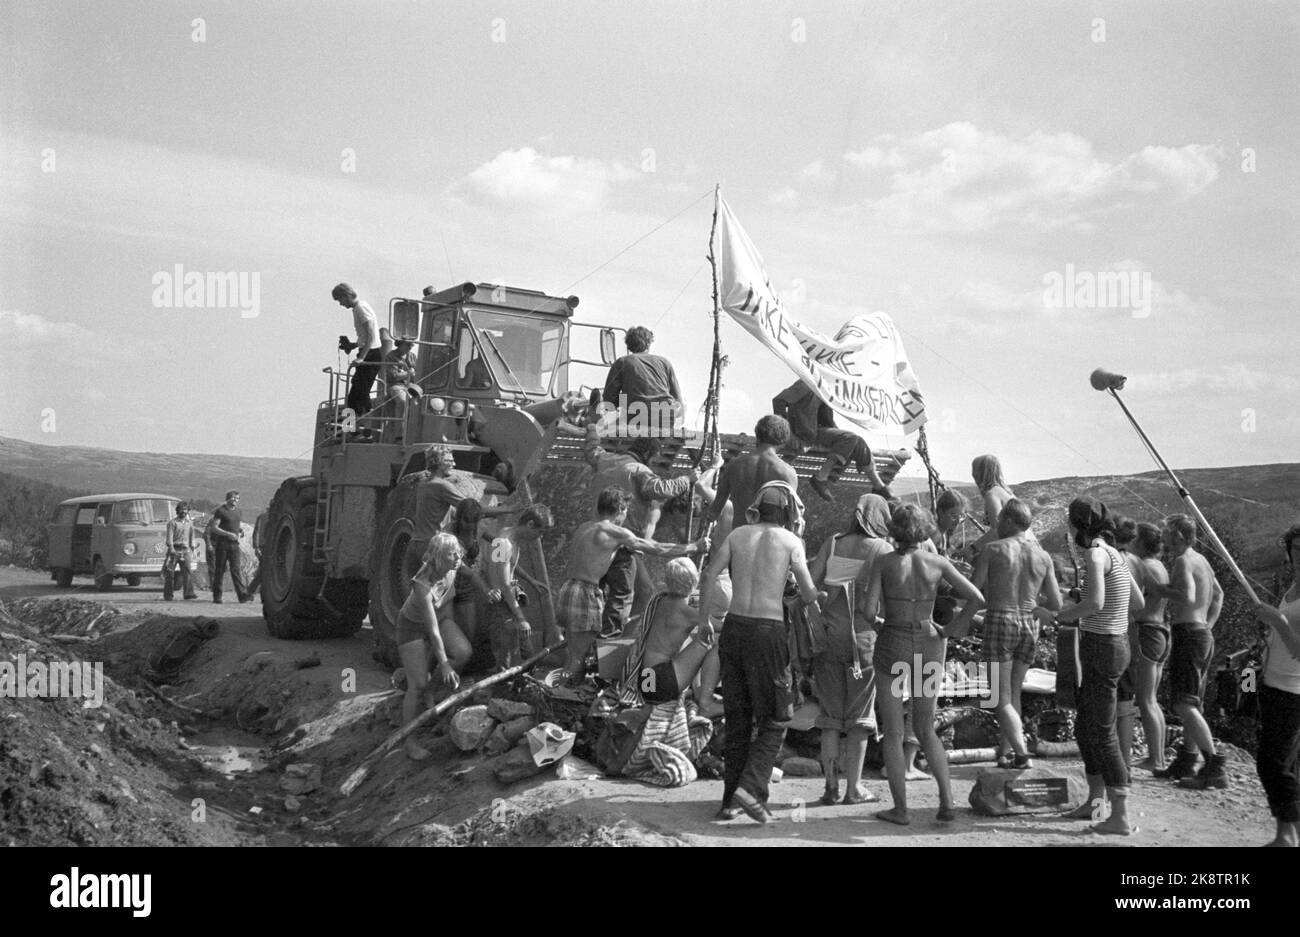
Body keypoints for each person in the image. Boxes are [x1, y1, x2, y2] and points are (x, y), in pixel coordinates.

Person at [700, 485, 819, 824]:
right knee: (777, 718)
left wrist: (703, 621)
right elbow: (808, 594)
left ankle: (729, 802)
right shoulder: (791, 542)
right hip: (768, 633)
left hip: (734, 628)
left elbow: (710, 574)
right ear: (787, 514)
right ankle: (751, 789)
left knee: (738, 720)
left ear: (758, 509)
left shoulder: (738, 535)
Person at [861, 503, 982, 825]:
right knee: (926, 727)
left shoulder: (884, 562)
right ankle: (946, 803)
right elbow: (976, 598)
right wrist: (958, 627)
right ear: (925, 528)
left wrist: (879, 624)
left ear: (895, 529)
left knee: (893, 730)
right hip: (930, 642)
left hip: (894, 642)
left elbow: (868, 609)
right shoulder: (937, 562)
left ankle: (900, 810)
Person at [1055, 497, 1144, 835]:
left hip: (1100, 647)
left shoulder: (1094, 553)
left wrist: (1061, 614)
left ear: (1079, 524)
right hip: (1115, 644)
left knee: (1102, 732)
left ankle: (1119, 815)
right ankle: (1095, 804)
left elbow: (1095, 603)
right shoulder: (1115, 555)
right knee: (1086, 727)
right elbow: (1136, 601)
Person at [558, 488, 707, 684]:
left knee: (574, 652)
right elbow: (655, 548)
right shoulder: (615, 532)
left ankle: (563, 691)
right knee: (579, 655)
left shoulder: (585, 527)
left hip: (568, 588)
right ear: (620, 508)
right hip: (585, 592)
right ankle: (560, 693)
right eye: (625, 510)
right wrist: (693, 547)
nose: (625, 515)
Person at [808, 494, 894, 806]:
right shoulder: (883, 549)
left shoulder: (833, 543)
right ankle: (853, 789)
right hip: (863, 643)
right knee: (859, 716)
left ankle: (830, 787)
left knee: (830, 715)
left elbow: (812, 584)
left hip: (829, 640)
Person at [966, 499, 1062, 769]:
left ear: (1008, 520)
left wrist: (960, 621)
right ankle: (1006, 752)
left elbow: (974, 594)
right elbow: (1055, 604)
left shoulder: (993, 549)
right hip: (1030, 621)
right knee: (1014, 693)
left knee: (998, 695)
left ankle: (1021, 753)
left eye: (999, 521)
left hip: (1000, 618)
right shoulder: (1043, 556)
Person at [584, 423, 699, 636]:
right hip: (622, 543)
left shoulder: (604, 459)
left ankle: (599, 638)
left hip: (595, 539)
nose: (654, 465)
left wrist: (592, 427)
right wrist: (687, 479)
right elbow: (660, 489)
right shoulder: (639, 470)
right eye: (654, 460)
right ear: (646, 454)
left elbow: (591, 449)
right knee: (628, 593)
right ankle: (614, 640)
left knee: (597, 591)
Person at [1149, 514, 1226, 788]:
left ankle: (1214, 764)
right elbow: (1219, 594)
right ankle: (1187, 759)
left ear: (1178, 535)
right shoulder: (1201, 560)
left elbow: (1188, 596)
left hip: (1189, 634)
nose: (1163, 537)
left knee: (1183, 703)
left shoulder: (1183, 560)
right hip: (1202, 633)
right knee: (1193, 701)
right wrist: (1208, 625)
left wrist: (1158, 589)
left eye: (1166, 532)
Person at [394, 533, 469, 760]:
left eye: (459, 553)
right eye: (451, 554)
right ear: (437, 558)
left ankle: (431, 690)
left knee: (463, 652)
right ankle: (409, 740)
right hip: (412, 627)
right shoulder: (422, 584)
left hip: (440, 617)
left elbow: (473, 574)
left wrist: (489, 590)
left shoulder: (454, 565)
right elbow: (432, 630)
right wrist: (444, 664)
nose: (457, 558)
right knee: (416, 685)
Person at [619, 557, 722, 715]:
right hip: (661, 680)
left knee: (692, 643)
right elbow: (722, 627)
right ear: (694, 582)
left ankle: (697, 691)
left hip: (646, 679)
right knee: (708, 642)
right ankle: (705, 701)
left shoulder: (659, 601)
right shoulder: (687, 613)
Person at [1253, 524, 1300, 847]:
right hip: (1275, 683)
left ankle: (1287, 836)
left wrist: (1278, 622)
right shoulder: (1294, 586)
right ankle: (1289, 833)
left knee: (1274, 763)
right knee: (1284, 763)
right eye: (1297, 550)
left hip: (1293, 690)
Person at [772, 379, 886, 501]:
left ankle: (880, 487)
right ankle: (820, 478)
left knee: (857, 441)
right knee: (850, 438)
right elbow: (778, 400)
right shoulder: (807, 383)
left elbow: (827, 421)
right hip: (803, 436)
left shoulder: (824, 387)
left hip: (815, 433)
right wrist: (786, 432)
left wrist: (841, 439)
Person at [484, 505, 554, 670]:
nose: (540, 537)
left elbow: (508, 564)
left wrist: (530, 580)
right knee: (506, 658)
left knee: (527, 653)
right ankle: (501, 688)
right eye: (540, 531)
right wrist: (521, 618)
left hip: (508, 601)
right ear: (530, 524)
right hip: (503, 605)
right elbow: (504, 584)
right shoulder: (503, 543)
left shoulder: (508, 535)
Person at [1126, 521, 1171, 771]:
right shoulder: (1160, 566)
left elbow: (1135, 603)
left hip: (1147, 632)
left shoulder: (1143, 566)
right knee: (1151, 699)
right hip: (1162, 631)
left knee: (1144, 700)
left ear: (1141, 543)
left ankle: (1156, 759)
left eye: (1134, 540)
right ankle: (1159, 757)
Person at [704, 415, 799, 529]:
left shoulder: (734, 465)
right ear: (783, 442)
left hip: (740, 537)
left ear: (757, 436)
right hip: (770, 541)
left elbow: (714, 512)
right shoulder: (787, 472)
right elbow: (793, 520)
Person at [602, 325, 683, 438]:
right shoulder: (665, 363)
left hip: (638, 416)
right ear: (649, 344)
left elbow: (608, 400)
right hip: (665, 417)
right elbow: (678, 399)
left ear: (628, 345)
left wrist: (625, 399)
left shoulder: (622, 362)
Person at [333, 282, 382, 418]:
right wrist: (353, 345)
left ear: (346, 295)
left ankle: (367, 430)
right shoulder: (358, 308)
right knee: (355, 396)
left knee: (360, 393)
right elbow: (366, 336)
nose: (341, 304)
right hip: (368, 352)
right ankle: (352, 431)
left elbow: (371, 333)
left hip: (371, 354)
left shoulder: (361, 308)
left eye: (340, 300)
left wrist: (362, 357)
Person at [968, 454, 1030, 553]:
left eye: (974, 470)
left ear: (980, 473)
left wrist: (972, 548)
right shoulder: (1006, 492)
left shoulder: (992, 494)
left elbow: (997, 530)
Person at [206, 490, 250, 604]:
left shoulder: (239, 512)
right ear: (227, 499)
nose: (235, 500)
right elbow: (214, 527)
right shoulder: (221, 511)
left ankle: (242, 596)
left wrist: (240, 530)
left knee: (236, 569)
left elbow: (234, 524)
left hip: (234, 545)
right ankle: (217, 596)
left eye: (237, 498)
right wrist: (228, 534)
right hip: (222, 545)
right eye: (233, 498)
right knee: (219, 570)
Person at [162, 502, 198, 601]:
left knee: (188, 572)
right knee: (170, 573)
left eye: (186, 509)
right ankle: (168, 595)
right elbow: (169, 538)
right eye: (182, 509)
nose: (184, 511)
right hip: (174, 550)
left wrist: (193, 550)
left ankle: (189, 594)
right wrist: (172, 549)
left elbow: (192, 537)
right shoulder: (172, 523)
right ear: (178, 511)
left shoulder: (190, 523)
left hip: (185, 551)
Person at [246, 511, 268, 598]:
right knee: (263, 571)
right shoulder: (263, 517)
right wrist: (256, 547)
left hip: (269, 547)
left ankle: (250, 591)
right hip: (264, 547)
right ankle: (250, 591)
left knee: (263, 571)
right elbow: (256, 532)